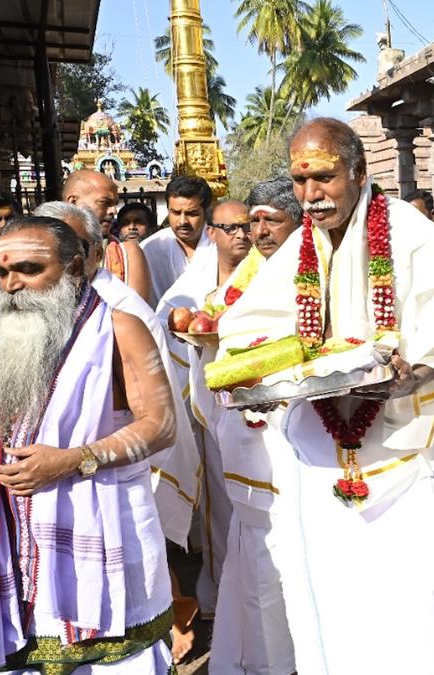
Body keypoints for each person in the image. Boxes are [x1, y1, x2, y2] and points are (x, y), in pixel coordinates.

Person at [215, 117, 434, 673]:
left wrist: (414, 370)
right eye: (299, 181)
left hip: (403, 460)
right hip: (319, 465)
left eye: (324, 178)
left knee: (415, 608)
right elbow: (243, 329)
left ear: (359, 172)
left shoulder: (406, 231)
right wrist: (260, 376)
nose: (310, 196)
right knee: (333, 606)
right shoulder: (299, 251)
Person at [0, 215, 177, 672]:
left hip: (98, 538)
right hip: (10, 544)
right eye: (3, 272)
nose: (12, 285)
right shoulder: (4, 332)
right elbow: (9, 429)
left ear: (76, 267)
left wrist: (73, 460)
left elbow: (161, 426)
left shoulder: (121, 326)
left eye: (29, 269)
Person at [36, 200, 203, 662]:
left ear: (91, 254)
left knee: (118, 631)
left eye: (72, 250)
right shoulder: (18, 317)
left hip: (106, 494)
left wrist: (74, 460)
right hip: (36, 507)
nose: (62, 263)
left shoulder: (121, 316)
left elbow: (158, 424)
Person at [172, 199, 299, 674]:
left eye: (270, 221)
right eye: (254, 223)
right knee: (252, 555)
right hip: (245, 437)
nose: (259, 232)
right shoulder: (237, 284)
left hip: (296, 434)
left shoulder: (314, 271)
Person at [63, 169, 151, 304]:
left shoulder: (127, 253)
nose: (113, 211)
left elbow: (138, 315)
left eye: (115, 204)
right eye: (104, 202)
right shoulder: (43, 250)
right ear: (73, 202)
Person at [141, 175, 214, 303]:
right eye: (175, 212)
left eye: (191, 213)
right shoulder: (149, 249)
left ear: (205, 212)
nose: (182, 221)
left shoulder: (218, 244)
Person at [246, 177, 303, 259]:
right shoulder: (246, 268)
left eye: (271, 220)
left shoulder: (321, 266)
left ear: (300, 222)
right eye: (254, 221)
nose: (260, 232)